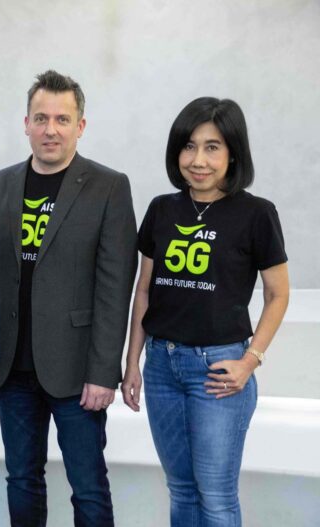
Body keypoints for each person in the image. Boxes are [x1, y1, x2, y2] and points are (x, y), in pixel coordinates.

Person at [0, 70, 137, 527]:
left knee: (88, 487)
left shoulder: (108, 186)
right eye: (41, 118)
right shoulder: (0, 183)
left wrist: (103, 371)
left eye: (62, 119)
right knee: (22, 479)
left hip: (77, 371)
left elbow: (115, 288)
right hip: (12, 367)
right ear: (26, 123)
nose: (51, 129)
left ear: (80, 126)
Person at [121, 97, 289, 526]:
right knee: (181, 489)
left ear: (233, 152)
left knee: (215, 496)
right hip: (161, 366)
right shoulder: (163, 209)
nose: (198, 160)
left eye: (212, 147)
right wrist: (133, 362)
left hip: (218, 372)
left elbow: (278, 294)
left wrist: (251, 360)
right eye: (189, 146)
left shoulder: (256, 214)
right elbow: (145, 290)